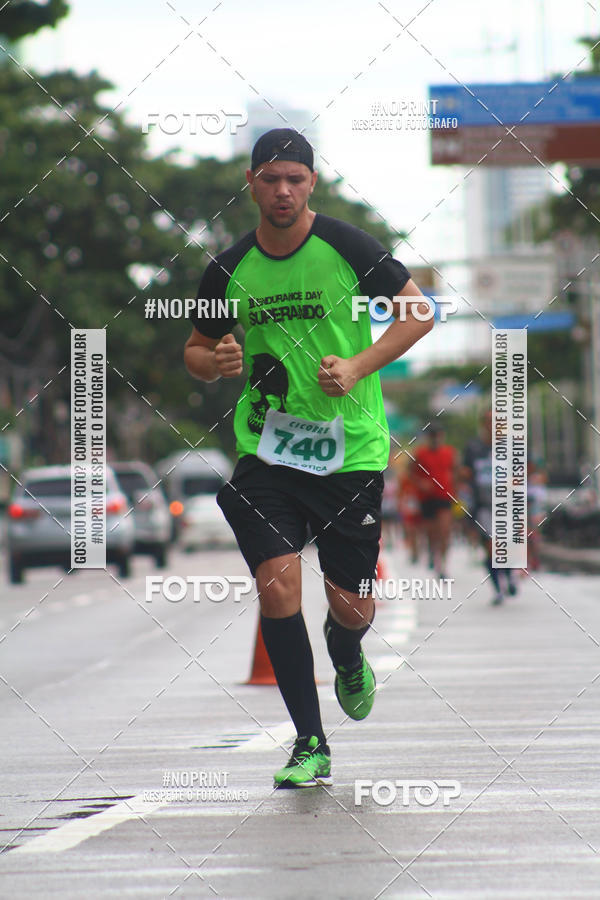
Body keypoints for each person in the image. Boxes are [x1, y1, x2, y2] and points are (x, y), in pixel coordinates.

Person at [184, 128, 432, 788]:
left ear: (312, 183)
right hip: (266, 453)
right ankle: (309, 742)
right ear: (251, 184)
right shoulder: (230, 267)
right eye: (271, 179)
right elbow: (197, 348)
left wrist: (357, 364)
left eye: (295, 178)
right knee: (277, 579)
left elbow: (417, 313)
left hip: (349, 453)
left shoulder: (348, 248)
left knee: (350, 607)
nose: (283, 190)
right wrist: (217, 361)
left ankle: (346, 649)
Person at [462, 409, 518, 605]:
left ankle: (510, 575)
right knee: (490, 546)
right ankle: (498, 588)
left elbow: (525, 469)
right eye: (488, 422)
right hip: (484, 505)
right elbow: (465, 472)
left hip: (508, 505)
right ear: (483, 424)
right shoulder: (473, 448)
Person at [412, 423, 456, 578]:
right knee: (431, 531)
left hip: (444, 496)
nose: (436, 439)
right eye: (432, 436)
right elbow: (412, 473)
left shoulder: (449, 452)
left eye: (438, 436)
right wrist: (420, 483)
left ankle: (442, 564)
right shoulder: (420, 453)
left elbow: (455, 471)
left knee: (444, 531)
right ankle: (432, 552)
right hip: (427, 498)